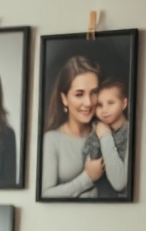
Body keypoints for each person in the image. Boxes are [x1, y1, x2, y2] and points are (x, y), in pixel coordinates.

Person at [40, 55, 102, 199]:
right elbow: (46, 195)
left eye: (94, 92)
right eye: (79, 94)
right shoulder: (51, 140)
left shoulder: (103, 132)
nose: (88, 102)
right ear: (64, 98)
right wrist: (87, 177)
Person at [85, 77, 131, 199]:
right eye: (99, 105)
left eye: (111, 103)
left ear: (124, 103)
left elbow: (119, 183)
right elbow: (90, 163)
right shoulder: (95, 131)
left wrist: (105, 136)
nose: (104, 110)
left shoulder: (130, 133)